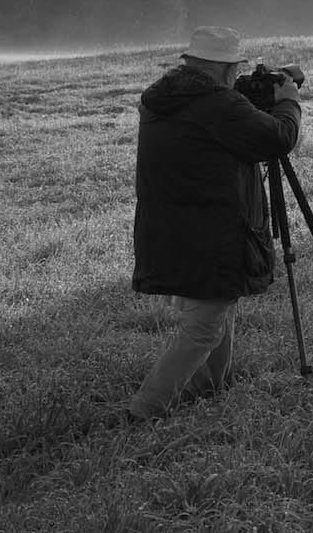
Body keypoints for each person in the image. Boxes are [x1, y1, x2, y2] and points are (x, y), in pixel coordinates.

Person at [120, 25, 303, 422]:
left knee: (219, 306)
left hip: (170, 227)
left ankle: (209, 389)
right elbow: (279, 138)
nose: (235, 77)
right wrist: (288, 101)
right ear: (222, 69)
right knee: (203, 327)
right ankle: (144, 412)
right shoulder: (217, 105)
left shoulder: (166, 97)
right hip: (209, 233)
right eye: (233, 70)